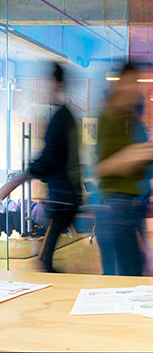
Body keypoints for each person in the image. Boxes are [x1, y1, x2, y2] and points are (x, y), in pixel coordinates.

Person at [0, 62, 81, 273]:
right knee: (44, 259)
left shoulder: (61, 118)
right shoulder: (63, 116)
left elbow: (49, 159)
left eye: (46, 82)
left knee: (44, 259)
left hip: (64, 198)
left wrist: (14, 182)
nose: (43, 87)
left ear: (56, 84)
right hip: (63, 196)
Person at [95, 63, 153, 276]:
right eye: (129, 82)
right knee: (123, 281)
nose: (134, 89)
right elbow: (105, 166)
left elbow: (137, 160)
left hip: (134, 206)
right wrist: (140, 153)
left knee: (135, 276)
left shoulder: (131, 120)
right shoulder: (109, 118)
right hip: (116, 209)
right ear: (119, 85)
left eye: (136, 83)